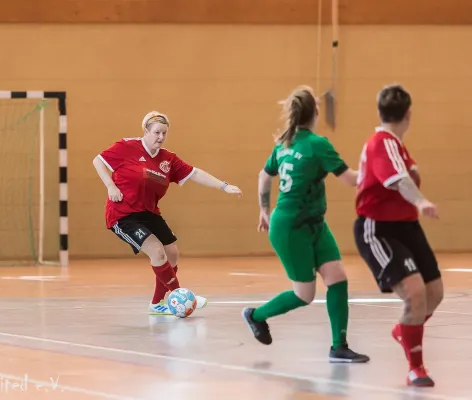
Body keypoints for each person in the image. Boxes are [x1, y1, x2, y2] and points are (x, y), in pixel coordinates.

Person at [242, 86, 370, 363]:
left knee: (337, 277)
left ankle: (339, 346)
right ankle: (255, 315)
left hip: (313, 223)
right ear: (315, 112)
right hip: (291, 229)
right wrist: (380, 169)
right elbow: (351, 179)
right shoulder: (316, 144)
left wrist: (263, 209)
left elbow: (264, 176)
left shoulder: (285, 144)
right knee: (305, 294)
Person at [93, 111, 242, 315]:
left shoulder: (168, 159)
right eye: (156, 132)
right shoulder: (127, 147)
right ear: (145, 131)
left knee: (172, 253)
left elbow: (195, 173)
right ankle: (180, 295)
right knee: (157, 251)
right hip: (123, 214)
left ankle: (156, 304)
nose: (160, 137)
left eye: (164, 133)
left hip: (149, 212)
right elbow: (98, 161)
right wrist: (110, 186)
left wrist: (224, 186)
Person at [353, 84, 442, 387]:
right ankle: (415, 367)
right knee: (416, 294)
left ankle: (405, 330)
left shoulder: (396, 145)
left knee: (435, 293)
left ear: (379, 111)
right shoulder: (383, 141)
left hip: (406, 226)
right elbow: (397, 181)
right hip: (377, 228)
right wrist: (421, 200)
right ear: (409, 114)